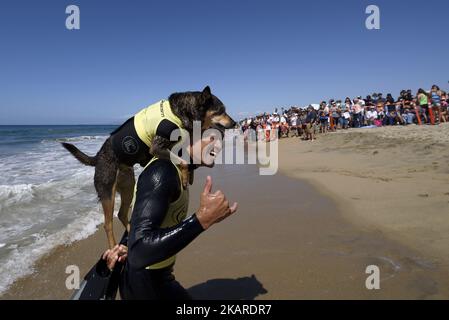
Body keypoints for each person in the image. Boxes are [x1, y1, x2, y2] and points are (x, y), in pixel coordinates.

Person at [102, 131, 238, 300]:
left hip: (160, 275)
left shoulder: (181, 172)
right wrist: (202, 220)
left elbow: (142, 219)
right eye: (212, 137)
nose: (218, 145)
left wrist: (126, 244)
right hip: (144, 286)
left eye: (221, 139)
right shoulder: (163, 172)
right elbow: (139, 254)